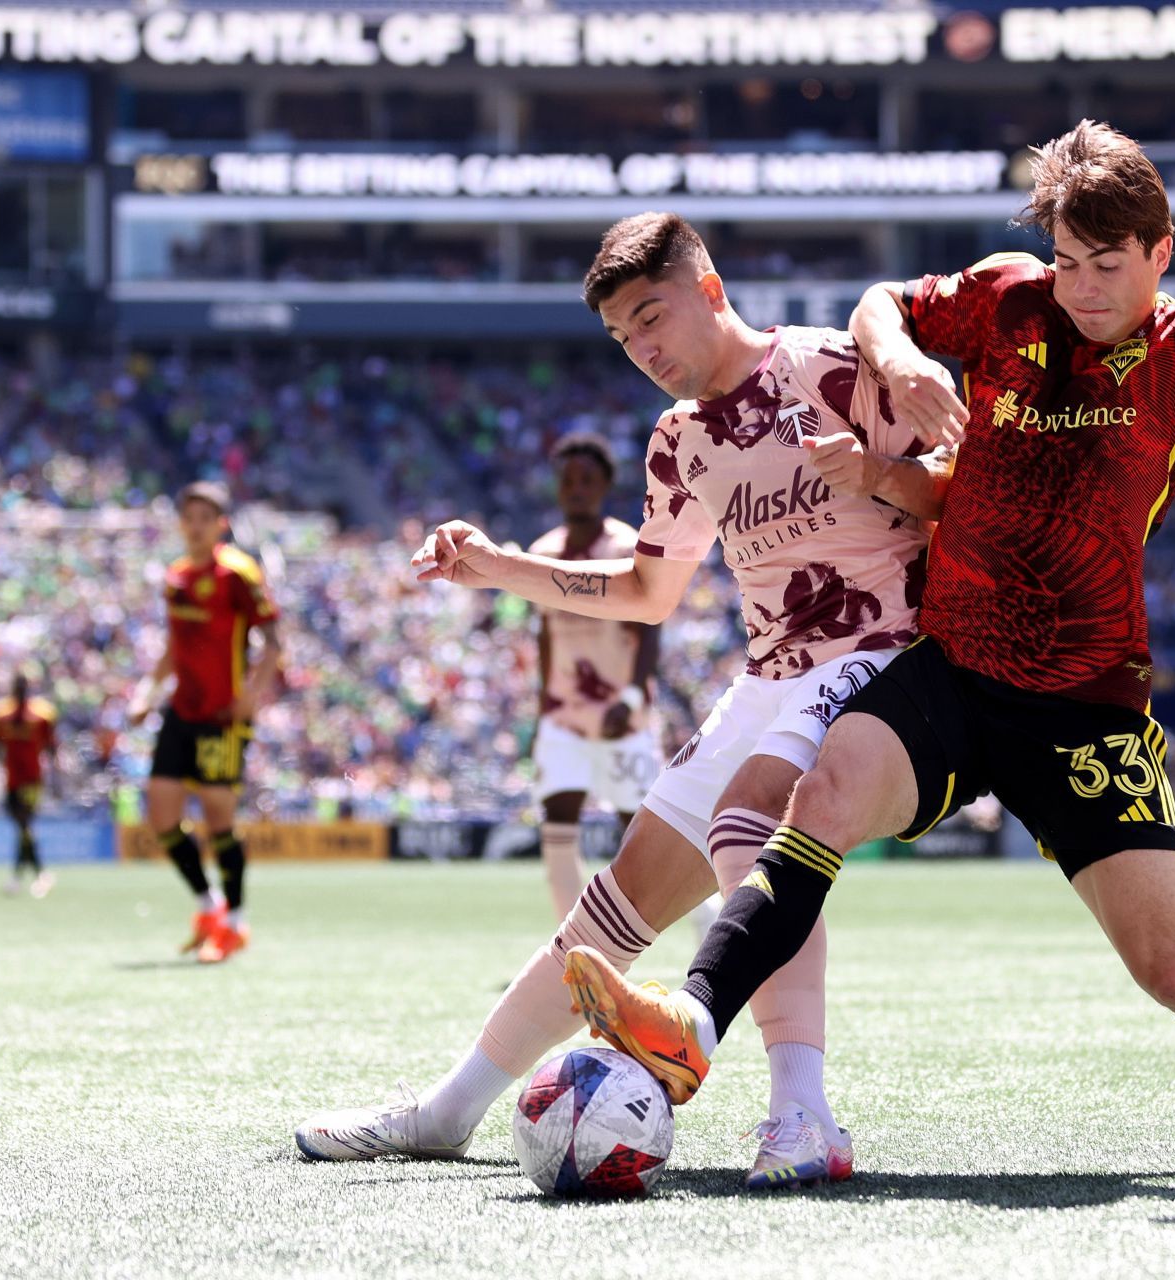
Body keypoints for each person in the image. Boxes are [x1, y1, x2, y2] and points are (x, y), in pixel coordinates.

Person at [565, 26, 1175, 1158]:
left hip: (1082, 708)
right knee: (823, 794)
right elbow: (879, 299)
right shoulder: (1009, 303)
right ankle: (692, 1022)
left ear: (1160, 255)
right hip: (953, 669)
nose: (1084, 288)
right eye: (1067, 261)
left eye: (1110, 266)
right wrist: (904, 357)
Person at [296, 213, 951, 1189]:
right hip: (769, 680)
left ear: (711, 289)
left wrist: (878, 474)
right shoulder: (679, 439)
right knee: (616, 902)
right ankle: (449, 1108)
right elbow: (649, 590)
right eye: (623, 336)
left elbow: (965, 482)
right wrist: (498, 569)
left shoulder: (834, 369)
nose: (644, 349)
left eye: (654, 316)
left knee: (748, 830)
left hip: (883, 658)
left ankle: (802, 1110)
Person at [128, 481, 283, 964]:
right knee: (162, 817)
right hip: (182, 710)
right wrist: (146, 693)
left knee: (219, 820)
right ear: (180, 522)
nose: (195, 526)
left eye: (205, 517)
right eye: (188, 516)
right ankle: (207, 907)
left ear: (221, 524)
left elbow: (274, 641)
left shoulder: (239, 572)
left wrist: (250, 696)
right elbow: (176, 648)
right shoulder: (174, 575)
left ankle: (235, 923)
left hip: (221, 715)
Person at [526, 431, 663, 919]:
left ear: (605, 486)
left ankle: (698, 923)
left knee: (644, 831)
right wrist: (542, 708)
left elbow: (649, 628)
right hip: (563, 718)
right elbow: (545, 635)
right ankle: (571, 943)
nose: (577, 488)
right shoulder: (542, 552)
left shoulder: (625, 546)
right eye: (568, 480)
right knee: (557, 823)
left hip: (620, 718)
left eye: (588, 480)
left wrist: (632, 695)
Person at [0, 673, 58, 897]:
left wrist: (56, 777)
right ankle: (35, 874)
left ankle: (26, 876)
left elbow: (51, 746)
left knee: (24, 824)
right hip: (12, 779)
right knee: (23, 827)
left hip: (31, 779)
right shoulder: (1, 713)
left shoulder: (42, 714)